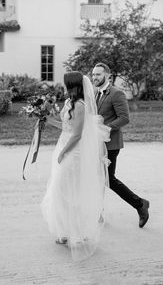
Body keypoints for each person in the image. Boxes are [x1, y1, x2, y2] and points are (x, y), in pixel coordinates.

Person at [41, 71, 111, 261]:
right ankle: (64, 231)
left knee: (69, 190)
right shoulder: (68, 103)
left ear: (73, 85)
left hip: (73, 151)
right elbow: (65, 127)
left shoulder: (80, 105)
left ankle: (77, 232)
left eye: (65, 83)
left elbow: (77, 134)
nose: (63, 86)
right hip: (63, 146)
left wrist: (64, 152)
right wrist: (46, 119)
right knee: (60, 190)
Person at [92, 63, 150, 228]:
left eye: (98, 75)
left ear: (107, 76)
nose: (94, 77)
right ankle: (97, 213)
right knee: (97, 179)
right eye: (93, 74)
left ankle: (140, 204)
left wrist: (105, 128)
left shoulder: (117, 94)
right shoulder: (94, 93)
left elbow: (124, 118)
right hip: (95, 144)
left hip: (110, 144)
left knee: (108, 179)